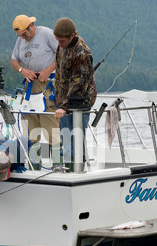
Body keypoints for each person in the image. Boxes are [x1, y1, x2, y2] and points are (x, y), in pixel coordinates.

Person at [11, 15, 60, 166]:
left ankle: (58, 165)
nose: (23, 38)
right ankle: (33, 165)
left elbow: (63, 54)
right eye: (20, 36)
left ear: (31, 26)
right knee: (30, 129)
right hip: (30, 87)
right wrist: (22, 70)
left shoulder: (46, 34)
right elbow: (14, 60)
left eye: (25, 34)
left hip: (48, 84)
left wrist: (47, 70)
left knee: (51, 127)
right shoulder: (21, 40)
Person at [53, 17, 97, 165]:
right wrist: (58, 96)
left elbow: (78, 82)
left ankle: (78, 165)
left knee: (77, 137)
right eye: (57, 40)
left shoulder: (82, 52)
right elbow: (59, 71)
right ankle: (65, 162)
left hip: (80, 102)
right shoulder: (62, 46)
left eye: (62, 41)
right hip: (63, 101)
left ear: (72, 36)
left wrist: (64, 107)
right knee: (65, 136)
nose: (59, 44)